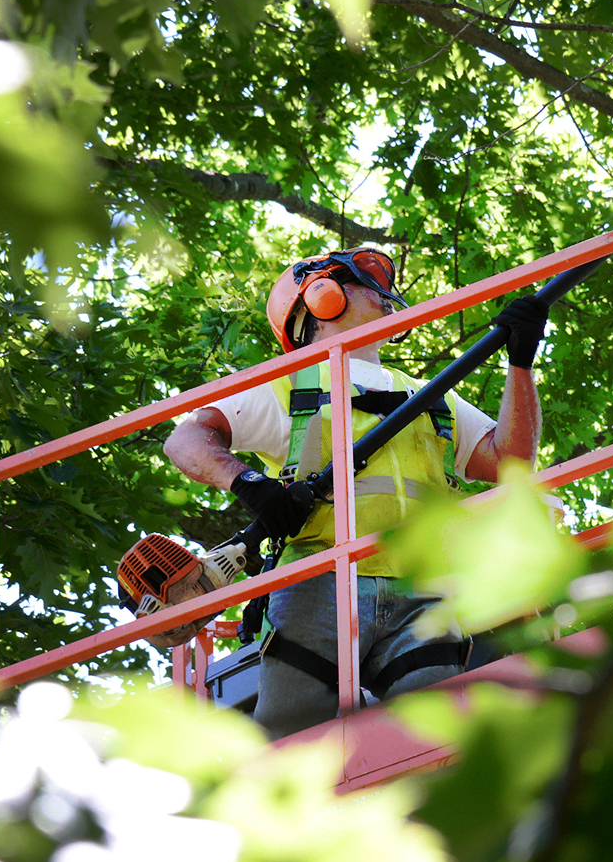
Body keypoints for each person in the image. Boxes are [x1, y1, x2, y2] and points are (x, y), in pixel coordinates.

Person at [164, 247, 547, 739]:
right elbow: (186, 438)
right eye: (364, 281)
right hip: (319, 582)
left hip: (423, 591)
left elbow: (511, 461)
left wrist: (520, 362)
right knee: (292, 742)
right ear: (319, 297)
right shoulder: (287, 385)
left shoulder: (431, 395)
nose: (386, 294)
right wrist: (251, 485)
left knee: (436, 741)